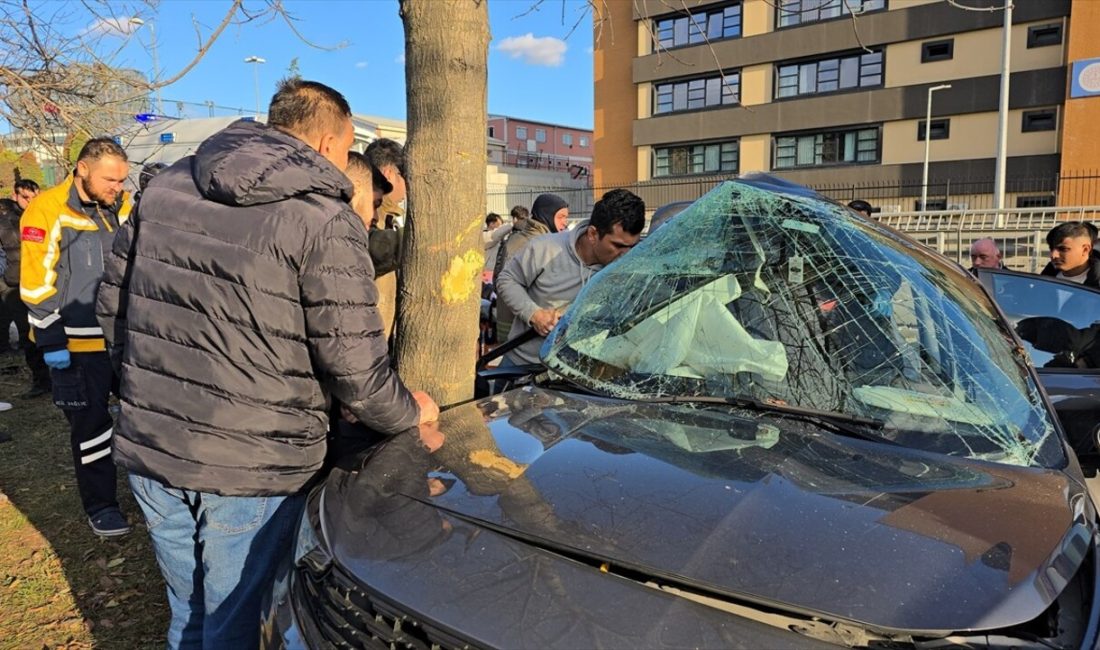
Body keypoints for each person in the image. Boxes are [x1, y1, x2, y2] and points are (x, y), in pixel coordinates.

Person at [95, 78, 438, 649]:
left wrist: (140, 397)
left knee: (190, 610)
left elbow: (115, 312)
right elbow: (356, 369)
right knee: (238, 619)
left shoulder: (165, 188)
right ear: (329, 143)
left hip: (154, 444)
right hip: (251, 464)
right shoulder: (323, 218)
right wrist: (410, 414)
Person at [21, 139, 132, 537]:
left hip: (123, 338)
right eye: (110, 179)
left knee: (139, 418)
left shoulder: (124, 208)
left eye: (122, 179)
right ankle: (101, 505)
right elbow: (34, 282)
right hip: (77, 345)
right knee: (91, 427)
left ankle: (144, 488)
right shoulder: (48, 208)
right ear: (83, 168)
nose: (117, 186)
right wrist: (51, 341)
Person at [496, 189, 645, 366]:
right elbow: (507, 279)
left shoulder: (629, 269)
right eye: (618, 245)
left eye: (632, 247)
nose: (626, 255)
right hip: (523, 365)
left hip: (578, 375)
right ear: (592, 234)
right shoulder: (545, 248)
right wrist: (534, 314)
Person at [493, 193, 569, 342]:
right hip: (518, 329)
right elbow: (504, 283)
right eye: (561, 217)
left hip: (536, 328)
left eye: (566, 217)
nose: (565, 223)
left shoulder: (550, 242)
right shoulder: (523, 243)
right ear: (547, 215)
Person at [0, 178, 50, 397]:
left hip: (41, 283)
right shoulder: (6, 223)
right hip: (15, 286)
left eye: (34, 197)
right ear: (15, 196)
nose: (30, 202)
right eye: (25, 197)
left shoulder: (43, 217)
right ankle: (41, 382)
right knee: (27, 335)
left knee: (47, 330)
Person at [364, 138, 407, 339]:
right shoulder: (372, 216)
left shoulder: (389, 218)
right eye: (404, 176)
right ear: (390, 174)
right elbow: (376, 249)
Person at [1041, 221, 1100, 288]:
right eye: (1051, 249)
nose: (1053, 255)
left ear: (1085, 250)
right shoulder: (1046, 276)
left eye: (1063, 249)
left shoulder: (1097, 284)